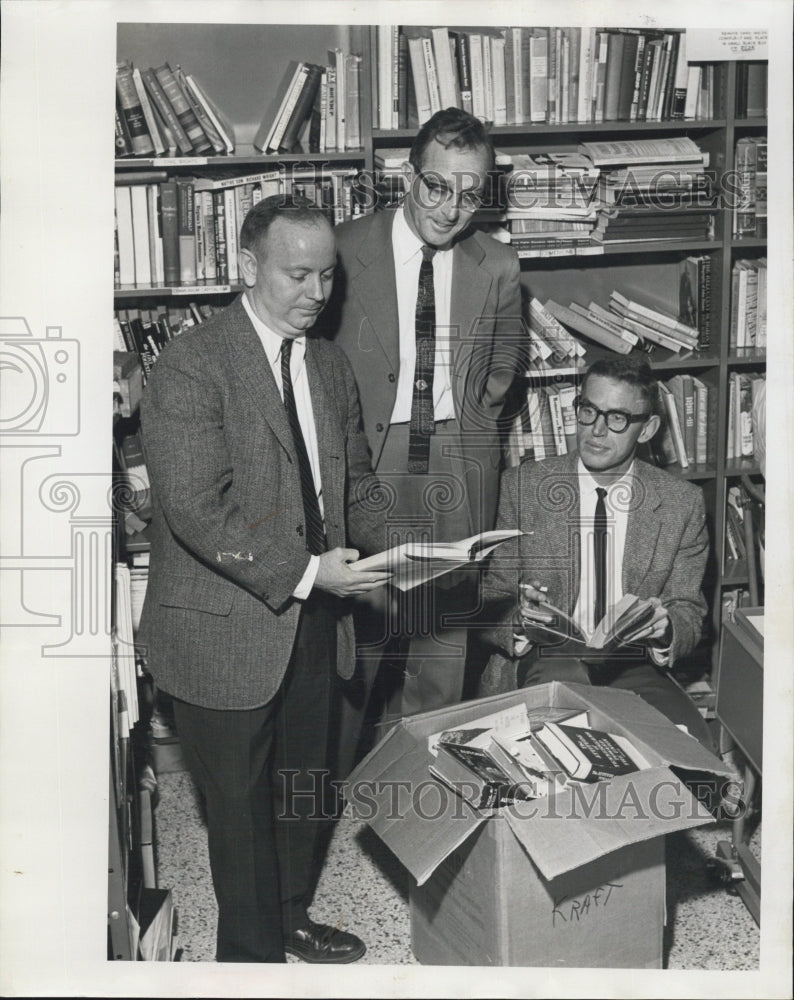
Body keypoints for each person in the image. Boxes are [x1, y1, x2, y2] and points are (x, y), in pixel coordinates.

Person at [137, 196, 391, 964]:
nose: (317, 292)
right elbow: (198, 510)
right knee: (242, 817)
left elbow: (353, 487)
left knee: (304, 792)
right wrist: (314, 571)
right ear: (248, 267)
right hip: (223, 628)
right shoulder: (189, 365)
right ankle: (249, 964)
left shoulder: (329, 362)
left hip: (316, 617)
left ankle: (288, 918)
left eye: (327, 275)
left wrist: (418, 552)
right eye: (298, 274)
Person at [322, 107, 524, 775]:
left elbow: (502, 371)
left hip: (452, 460)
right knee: (363, 631)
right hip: (365, 458)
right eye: (437, 186)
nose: (450, 208)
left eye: (470, 194)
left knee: (441, 637)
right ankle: (330, 783)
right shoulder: (345, 249)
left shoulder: (495, 263)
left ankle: (426, 786)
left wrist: (466, 433)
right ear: (406, 174)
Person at [478, 355, 714, 749]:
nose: (597, 430)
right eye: (588, 411)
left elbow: (690, 611)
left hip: (632, 665)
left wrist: (665, 627)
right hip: (546, 658)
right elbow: (490, 598)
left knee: (694, 757)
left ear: (647, 428)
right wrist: (519, 619)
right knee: (560, 755)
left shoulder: (681, 504)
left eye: (617, 417)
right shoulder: (523, 486)